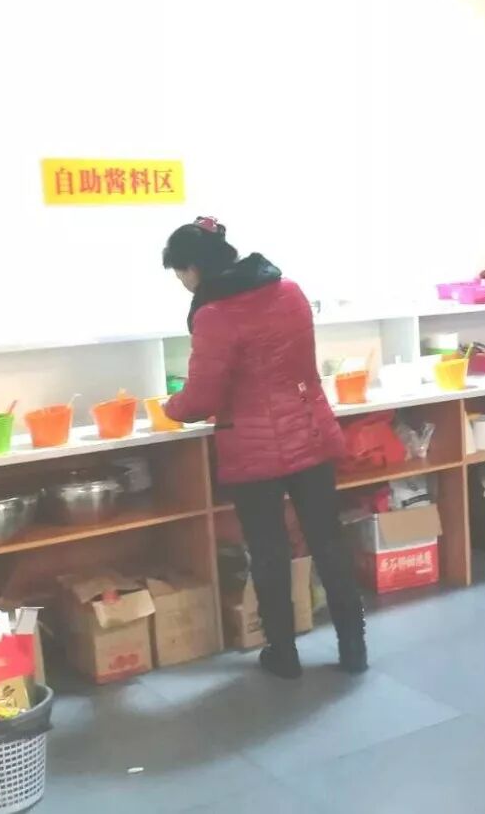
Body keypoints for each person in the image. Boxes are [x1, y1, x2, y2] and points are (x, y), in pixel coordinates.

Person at [162, 216, 366, 678]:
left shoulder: (213, 315)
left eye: (180, 273)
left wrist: (169, 406)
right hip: (311, 433)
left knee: (269, 551)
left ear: (194, 268)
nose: (182, 283)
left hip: (254, 451)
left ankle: (283, 656)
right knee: (328, 543)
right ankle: (354, 649)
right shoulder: (289, 291)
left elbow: (201, 399)